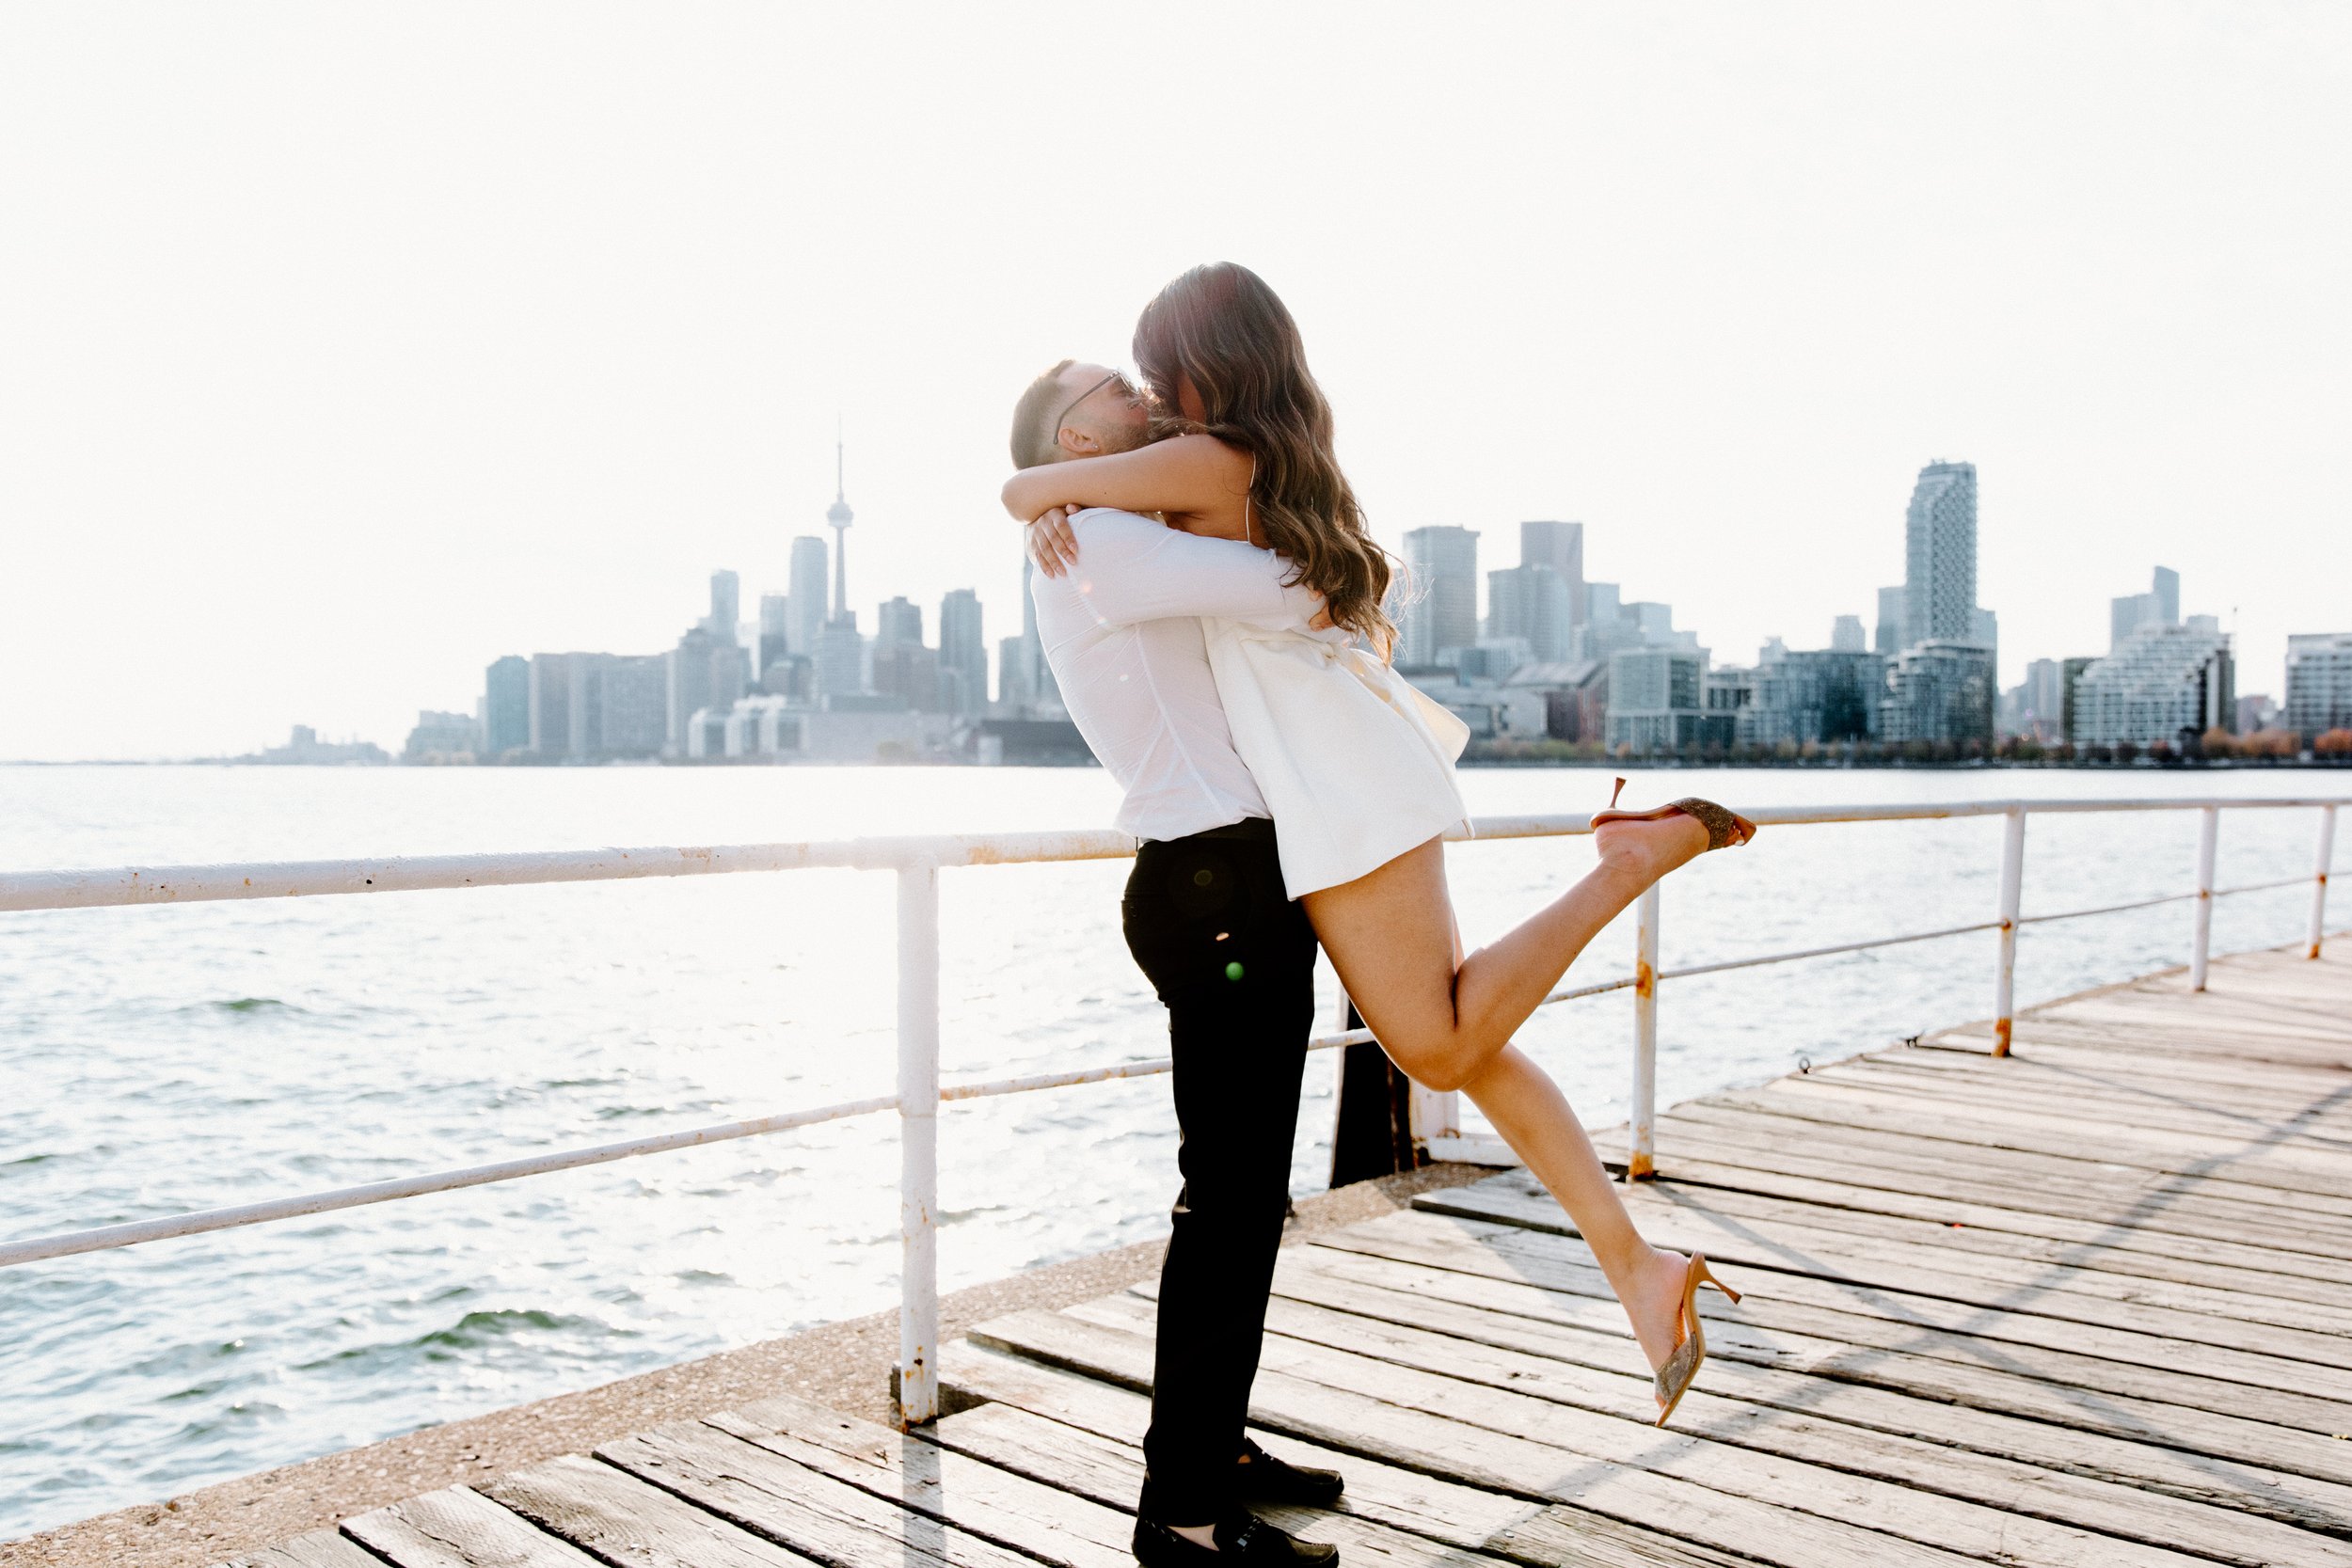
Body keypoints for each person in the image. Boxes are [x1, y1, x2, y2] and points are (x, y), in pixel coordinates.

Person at [1005, 267, 1751, 1500]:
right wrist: (1063, 489)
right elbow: (1265, 576)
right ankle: (1633, 1262)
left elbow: (1262, 577)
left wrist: (1049, 487)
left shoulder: (1194, 470)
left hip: (1324, 803)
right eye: (1114, 383)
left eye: (1151, 366)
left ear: (1206, 365)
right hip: (1322, 801)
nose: (1142, 391)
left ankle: (1631, 862)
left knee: (1428, 1052)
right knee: (1456, 1040)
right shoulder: (1185, 490)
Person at [1007, 358, 1349, 1565]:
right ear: (1070, 431)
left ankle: (1216, 1450)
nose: (1139, 387)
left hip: (1223, 883)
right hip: (1217, 891)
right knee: (1228, 1211)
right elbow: (1312, 588)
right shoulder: (1098, 534)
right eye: (1111, 383)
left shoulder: (1100, 525)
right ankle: (1188, 1514)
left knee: (1243, 1202)